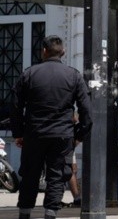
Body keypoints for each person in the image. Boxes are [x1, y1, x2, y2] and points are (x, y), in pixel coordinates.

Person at [11, 35, 92, 219]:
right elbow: (86, 108)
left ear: (44, 51)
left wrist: (18, 133)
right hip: (62, 135)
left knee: (30, 175)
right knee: (56, 177)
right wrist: (79, 134)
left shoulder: (29, 73)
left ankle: (24, 214)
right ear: (62, 52)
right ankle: (50, 214)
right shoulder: (73, 75)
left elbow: (15, 106)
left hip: (34, 133)